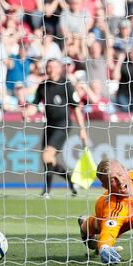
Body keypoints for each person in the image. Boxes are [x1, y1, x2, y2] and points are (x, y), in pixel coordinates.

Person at [24, 59, 88, 197]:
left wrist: (82, 129)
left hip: (63, 125)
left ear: (59, 69)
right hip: (49, 125)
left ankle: (46, 191)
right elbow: (34, 106)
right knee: (48, 159)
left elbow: (76, 108)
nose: (50, 69)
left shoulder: (66, 85)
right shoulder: (43, 85)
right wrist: (26, 113)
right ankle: (71, 182)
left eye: (53, 67)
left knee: (47, 154)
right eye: (48, 67)